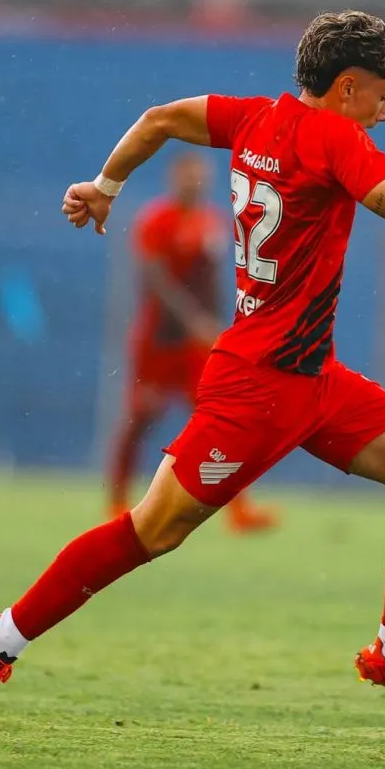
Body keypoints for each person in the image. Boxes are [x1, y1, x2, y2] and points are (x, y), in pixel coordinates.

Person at [0, 9, 385, 725]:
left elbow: (160, 117)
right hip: (259, 385)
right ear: (348, 87)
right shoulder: (334, 137)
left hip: (312, 378)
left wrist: (106, 184)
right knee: (153, 530)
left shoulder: (255, 119)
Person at [108, 151, 278, 533]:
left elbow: (212, 282)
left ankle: (238, 510)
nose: (194, 183)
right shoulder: (156, 221)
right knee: (141, 417)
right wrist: (193, 321)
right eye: (188, 176)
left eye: (200, 176)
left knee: (223, 421)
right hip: (158, 340)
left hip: (198, 343)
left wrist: (225, 325)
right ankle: (117, 500)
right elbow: (156, 279)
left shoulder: (212, 222)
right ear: (173, 178)